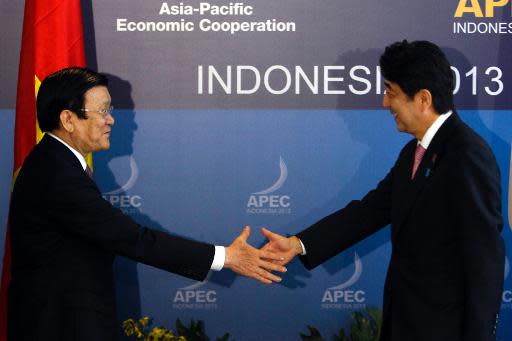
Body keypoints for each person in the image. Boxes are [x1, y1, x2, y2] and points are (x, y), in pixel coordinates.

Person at [7, 67, 286, 341]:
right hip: (59, 327)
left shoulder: (54, 163)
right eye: (102, 111)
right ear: (68, 119)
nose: (111, 120)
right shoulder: (58, 174)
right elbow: (133, 239)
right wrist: (227, 257)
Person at [261, 40, 504, 341]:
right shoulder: (412, 153)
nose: (384, 103)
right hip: (405, 324)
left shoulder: (467, 154)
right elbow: (369, 211)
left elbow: (485, 261)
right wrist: (298, 244)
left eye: (392, 92)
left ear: (423, 99)